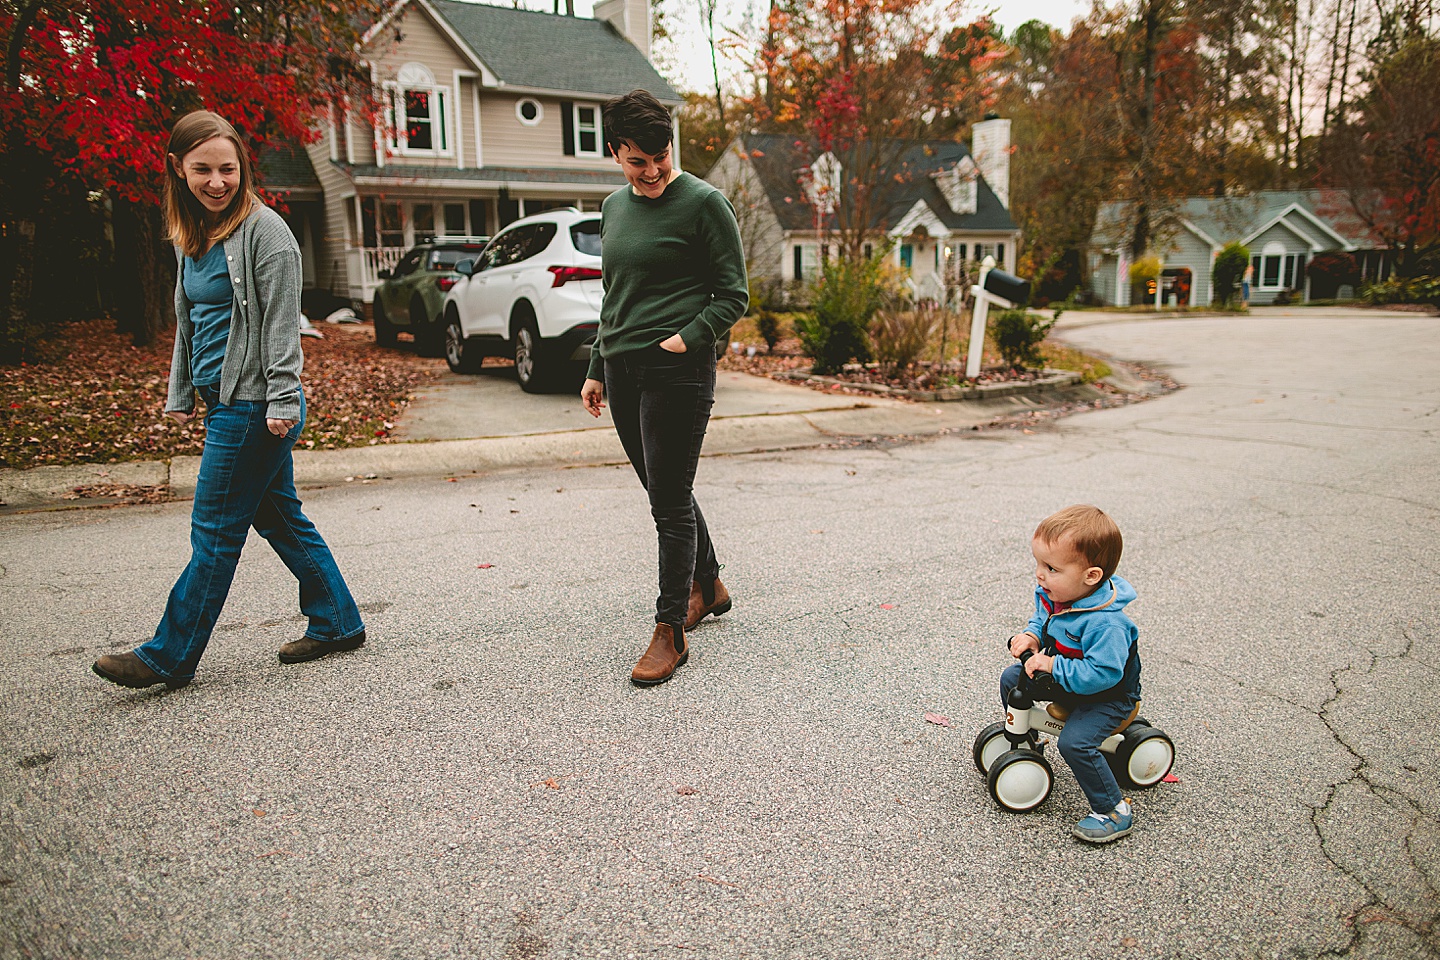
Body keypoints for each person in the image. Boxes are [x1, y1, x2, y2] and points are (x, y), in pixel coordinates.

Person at [92, 111, 365, 690]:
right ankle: (338, 621)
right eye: (202, 170)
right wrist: (184, 392)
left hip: (258, 406)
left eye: (227, 169)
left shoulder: (267, 233)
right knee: (280, 518)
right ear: (178, 170)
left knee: (214, 530)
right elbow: (190, 320)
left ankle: (169, 654)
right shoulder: (192, 233)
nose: (217, 182)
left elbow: (281, 328)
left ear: (243, 167)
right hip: (224, 401)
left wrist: (284, 404)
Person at [580, 89, 748, 686]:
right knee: (663, 486)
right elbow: (614, 296)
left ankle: (669, 628)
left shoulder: (705, 203)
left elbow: (733, 294)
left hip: (678, 368)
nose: (652, 172)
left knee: (668, 505)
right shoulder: (612, 208)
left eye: (661, 157)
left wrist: (686, 338)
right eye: (637, 161)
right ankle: (710, 584)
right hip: (623, 368)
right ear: (614, 154)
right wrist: (598, 365)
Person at [1002, 505, 1142, 843]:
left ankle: (1112, 809)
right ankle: (1029, 742)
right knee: (1011, 679)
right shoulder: (1057, 594)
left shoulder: (1107, 624)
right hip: (1071, 683)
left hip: (1108, 697)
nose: (1039, 574)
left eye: (1051, 568)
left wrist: (1052, 666)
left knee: (1076, 743)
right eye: (1038, 563)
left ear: (1090, 576)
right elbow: (1043, 620)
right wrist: (1033, 636)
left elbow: (1103, 674)